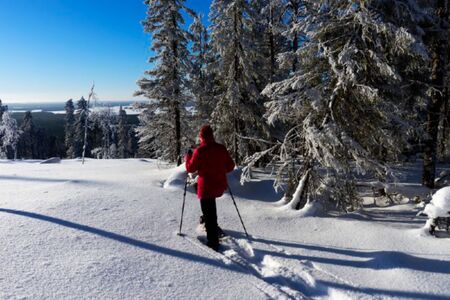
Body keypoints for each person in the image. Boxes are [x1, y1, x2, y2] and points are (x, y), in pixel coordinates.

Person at [185, 125, 235, 251]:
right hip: (219, 184)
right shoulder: (221, 148)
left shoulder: (200, 151)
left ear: (201, 137)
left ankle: (213, 241)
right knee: (210, 208)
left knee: (208, 211)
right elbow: (230, 166)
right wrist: (219, 169)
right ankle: (211, 227)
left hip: (206, 187)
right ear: (212, 135)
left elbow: (190, 168)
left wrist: (188, 157)